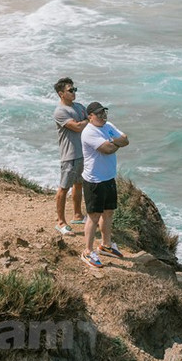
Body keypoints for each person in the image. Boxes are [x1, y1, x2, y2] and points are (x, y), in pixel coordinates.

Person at [79, 101, 129, 269]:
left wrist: (113, 142)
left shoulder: (108, 126)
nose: (102, 116)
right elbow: (107, 149)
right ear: (90, 116)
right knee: (93, 216)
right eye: (98, 114)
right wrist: (115, 142)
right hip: (94, 180)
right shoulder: (89, 132)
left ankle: (106, 245)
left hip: (109, 177)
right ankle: (87, 251)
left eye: (104, 112)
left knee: (108, 212)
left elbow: (126, 140)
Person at [52, 77, 88, 235]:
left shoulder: (79, 107)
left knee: (79, 184)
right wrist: (86, 121)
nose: (74, 92)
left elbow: (88, 121)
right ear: (61, 94)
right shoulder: (60, 111)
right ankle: (60, 222)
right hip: (70, 155)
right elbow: (77, 127)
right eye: (70, 90)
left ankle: (77, 215)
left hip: (82, 153)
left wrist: (84, 121)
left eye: (75, 89)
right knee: (64, 187)